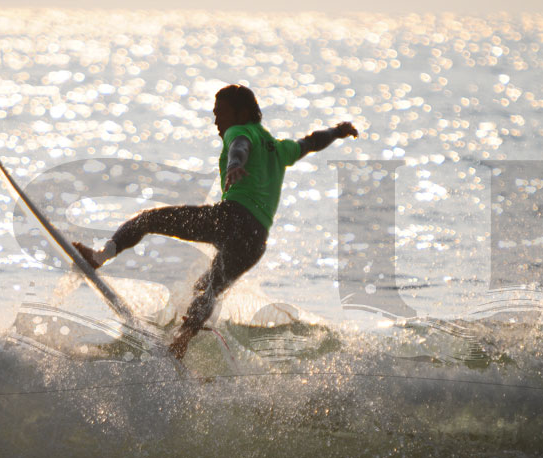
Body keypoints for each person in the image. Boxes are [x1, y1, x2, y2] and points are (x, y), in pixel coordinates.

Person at [74, 84, 358, 359]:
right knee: (208, 288)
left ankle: (100, 256)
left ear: (242, 113)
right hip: (256, 241)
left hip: (231, 218)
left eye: (221, 113)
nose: (216, 121)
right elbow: (311, 142)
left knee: (149, 219)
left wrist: (235, 164)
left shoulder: (241, 130)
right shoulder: (278, 148)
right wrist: (337, 131)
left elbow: (239, 146)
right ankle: (182, 341)